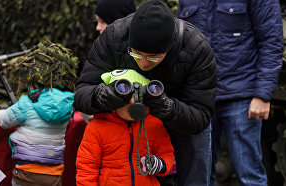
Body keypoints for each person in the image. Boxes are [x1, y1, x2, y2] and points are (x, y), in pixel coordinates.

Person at [74, 0, 217, 185]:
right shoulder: (114, 37)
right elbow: (82, 92)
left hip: (181, 117)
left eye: (153, 57)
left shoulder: (196, 48)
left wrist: (168, 109)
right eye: (137, 54)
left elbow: (201, 115)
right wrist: (102, 95)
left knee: (195, 175)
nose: (143, 63)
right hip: (127, 123)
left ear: (170, 47)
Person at [177, 0, 284, 185]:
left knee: (250, 175)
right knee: (199, 177)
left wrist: (263, 95)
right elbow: (179, 42)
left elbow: (271, 42)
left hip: (241, 95)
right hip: (200, 97)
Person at [0, 40, 79, 186]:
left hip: (26, 174)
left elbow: (4, 120)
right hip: (54, 174)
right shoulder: (67, 104)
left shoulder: (28, 102)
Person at [76, 69, 174, 185]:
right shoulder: (96, 128)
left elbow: (167, 154)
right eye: (127, 98)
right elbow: (87, 169)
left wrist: (160, 165)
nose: (133, 103)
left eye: (138, 98)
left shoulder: (154, 124)